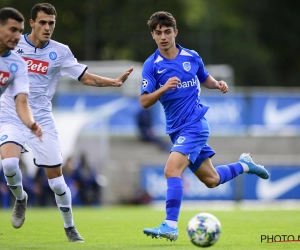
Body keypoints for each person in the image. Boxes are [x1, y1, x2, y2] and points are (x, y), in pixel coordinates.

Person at [0, 3, 133, 243]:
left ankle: (70, 227)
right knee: (9, 164)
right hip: (11, 115)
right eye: (42, 22)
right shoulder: (14, 44)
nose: (48, 27)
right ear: (31, 23)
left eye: (51, 23)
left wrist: (113, 82)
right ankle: (21, 198)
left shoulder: (60, 52)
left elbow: (84, 77)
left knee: (57, 182)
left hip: (41, 120)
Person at [141, 11, 270, 242]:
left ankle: (170, 225)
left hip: (195, 125)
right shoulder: (152, 65)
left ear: (175, 32)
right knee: (211, 180)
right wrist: (163, 88)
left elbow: (205, 78)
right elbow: (144, 101)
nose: (163, 37)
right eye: (158, 33)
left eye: (167, 32)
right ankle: (245, 165)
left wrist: (217, 84)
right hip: (176, 130)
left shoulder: (191, 57)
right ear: (152, 35)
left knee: (172, 170)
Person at [0, 7, 43, 209]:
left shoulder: (17, 64)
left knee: (9, 164)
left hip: (7, 119)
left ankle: (20, 197)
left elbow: (22, 101)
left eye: (20, 31)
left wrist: (30, 123)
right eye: (12, 30)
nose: (18, 36)